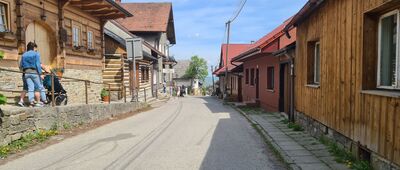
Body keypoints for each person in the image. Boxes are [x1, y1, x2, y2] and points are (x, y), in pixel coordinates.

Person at [20, 42, 48, 107]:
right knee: (40, 86)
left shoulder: (24, 55)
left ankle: (31, 101)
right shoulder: (36, 54)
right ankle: (44, 100)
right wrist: (40, 74)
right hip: (34, 72)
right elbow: (38, 64)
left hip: (26, 73)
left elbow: (21, 65)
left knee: (30, 88)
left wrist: (24, 71)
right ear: (33, 48)